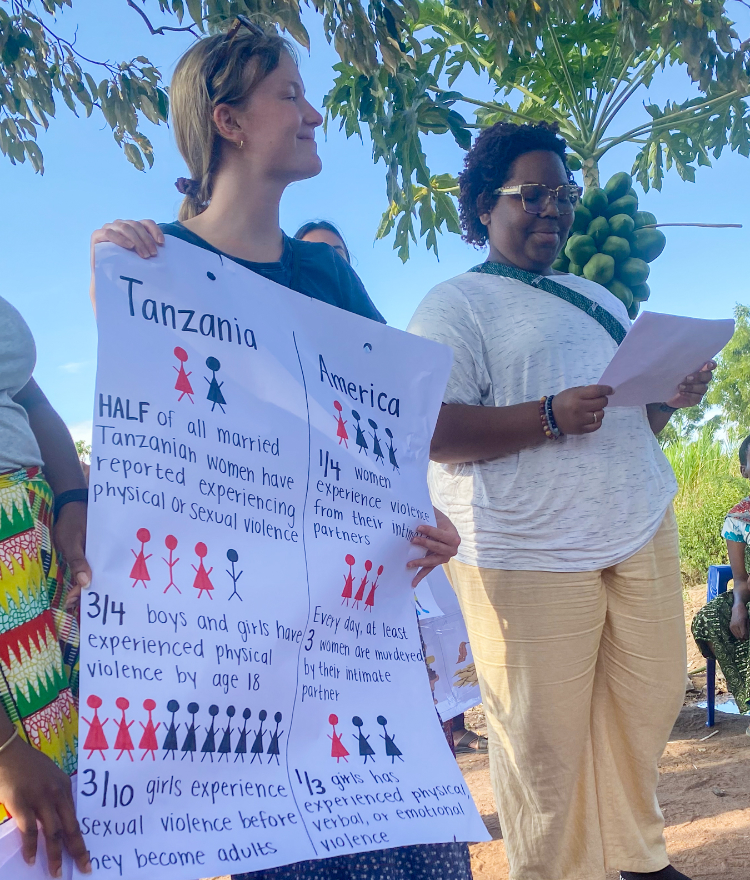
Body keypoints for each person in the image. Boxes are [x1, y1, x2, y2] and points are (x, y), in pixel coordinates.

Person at [90, 17, 471, 880]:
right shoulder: (154, 262)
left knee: (415, 849)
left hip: (351, 626)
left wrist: (416, 520)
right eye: (289, 94)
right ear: (228, 121)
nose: (314, 114)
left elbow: (376, 436)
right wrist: (109, 271)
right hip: (238, 649)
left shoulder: (325, 274)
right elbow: (159, 457)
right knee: (297, 852)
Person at [407, 120, 715, 880]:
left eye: (563, 194)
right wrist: (545, 415)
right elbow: (435, 429)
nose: (553, 209)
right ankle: (557, 870)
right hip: (525, 548)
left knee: (645, 701)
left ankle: (636, 857)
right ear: (484, 204)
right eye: (532, 194)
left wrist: (670, 398)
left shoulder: (597, 297)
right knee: (542, 739)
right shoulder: (455, 304)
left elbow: (629, 421)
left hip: (636, 521)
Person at [0, 296, 92, 877]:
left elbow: (28, 395)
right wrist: (5, 751)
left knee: (73, 790)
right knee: (31, 822)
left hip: (34, 547)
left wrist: (70, 498)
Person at [692, 435, 750, 724]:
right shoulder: (739, 518)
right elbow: (740, 579)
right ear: (744, 470)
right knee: (709, 619)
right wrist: (739, 604)